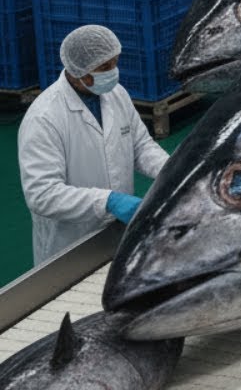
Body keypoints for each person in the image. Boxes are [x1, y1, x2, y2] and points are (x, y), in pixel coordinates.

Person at [18, 25, 170, 265]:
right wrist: (108, 201)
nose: (113, 72)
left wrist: (173, 171)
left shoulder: (116, 94)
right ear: (78, 71)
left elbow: (141, 146)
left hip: (118, 231)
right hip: (70, 244)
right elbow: (42, 194)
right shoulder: (44, 118)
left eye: (115, 63)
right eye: (104, 67)